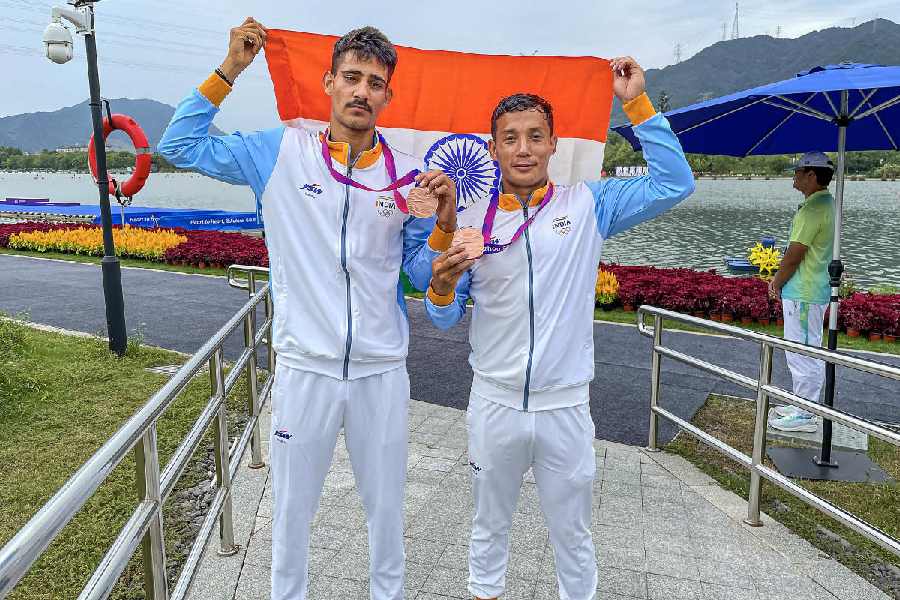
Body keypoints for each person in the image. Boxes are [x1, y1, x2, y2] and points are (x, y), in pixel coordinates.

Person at [159, 19, 458, 600]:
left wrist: (445, 224)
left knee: (387, 519)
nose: (361, 91)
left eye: (374, 83)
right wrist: (231, 69)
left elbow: (421, 273)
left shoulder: (407, 175)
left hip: (380, 372)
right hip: (304, 370)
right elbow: (179, 145)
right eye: (351, 77)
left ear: (387, 96)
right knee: (291, 518)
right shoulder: (279, 153)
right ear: (329, 82)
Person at [425, 57, 695, 600]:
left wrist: (637, 103)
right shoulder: (471, 221)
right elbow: (443, 316)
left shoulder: (589, 204)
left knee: (572, 534)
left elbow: (675, 184)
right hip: (494, 403)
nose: (523, 148)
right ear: (494, 146)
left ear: (552, 145)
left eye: (534, 137)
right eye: (510, 138)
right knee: (488, 526)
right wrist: (440, 286)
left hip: (565, 406)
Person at [767, 151, 835, 434]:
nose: (794, 176)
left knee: (802, 352)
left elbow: (795, 253)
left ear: (812, 175)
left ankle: (806, 414)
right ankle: (801, 403)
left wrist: (776, 282)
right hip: (809, 289)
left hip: (804, 291)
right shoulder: (825, 203)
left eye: (798, 171)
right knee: (805, 349)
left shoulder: (813, 209)